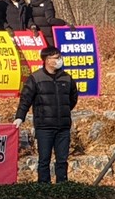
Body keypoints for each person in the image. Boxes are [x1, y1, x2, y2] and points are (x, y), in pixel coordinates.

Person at [14, 46, 78, 183]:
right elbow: (26, 99)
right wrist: (20, 117)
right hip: (44, 127)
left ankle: (62, 187)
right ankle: (44, 187)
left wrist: (63, 111)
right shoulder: (36, 78)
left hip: (63, 127)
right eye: (56, 58)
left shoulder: (67, 78)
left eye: (59, 57)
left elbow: (72, 99)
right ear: (47, 60)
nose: (59, 60)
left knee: (62, 160)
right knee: (44, 160)